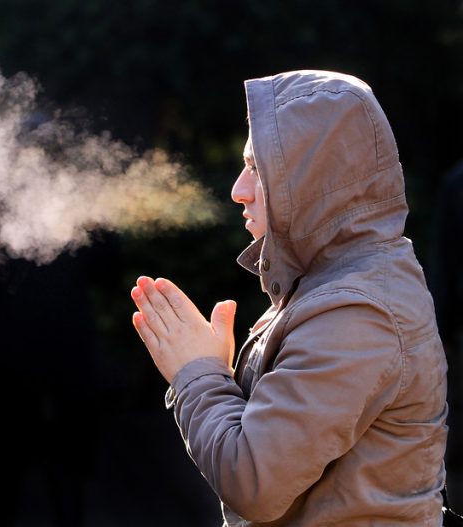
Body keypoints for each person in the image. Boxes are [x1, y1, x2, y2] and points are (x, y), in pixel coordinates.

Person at [130, 70, 448, 526]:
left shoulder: (357, 312)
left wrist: (196, 373)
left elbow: (255, 482)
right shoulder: (331, 283)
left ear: (316, 179)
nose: (239, 190)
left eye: (257, 169)